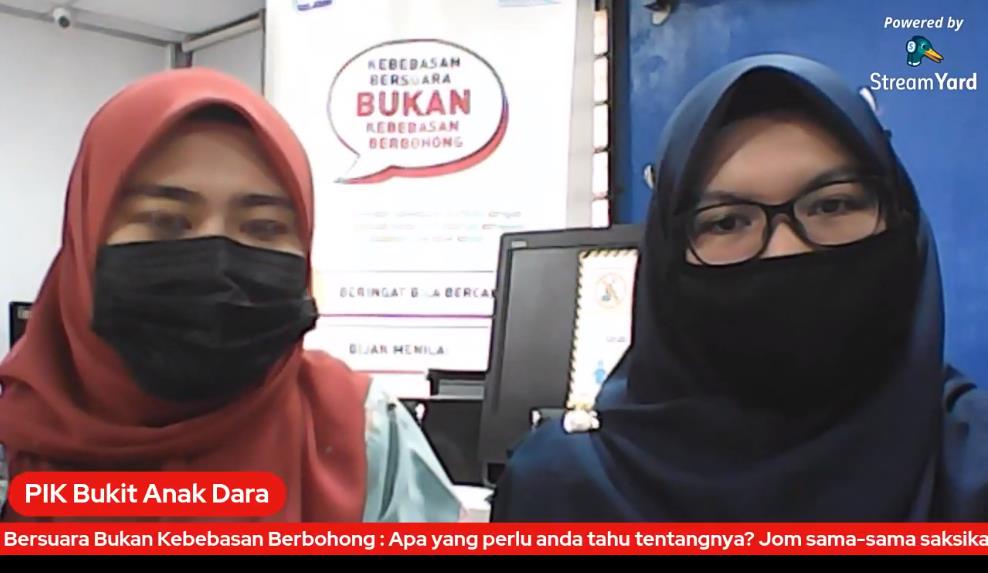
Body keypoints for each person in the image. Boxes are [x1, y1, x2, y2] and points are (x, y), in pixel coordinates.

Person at [492, 54, 988, 521]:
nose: (785, 251)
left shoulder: (972, 465)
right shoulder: (562, 489)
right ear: (669, 256)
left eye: (832, 205)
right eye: (727, 222)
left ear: (899, 218)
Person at [0, 68, 461, 522]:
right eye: (165, 220)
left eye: (264, 228)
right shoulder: (13, 441)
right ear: (86, 235)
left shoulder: (364, 435)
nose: (218, 263)